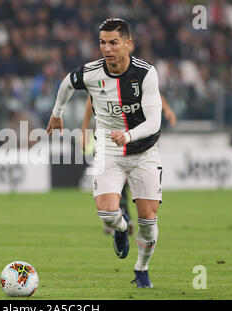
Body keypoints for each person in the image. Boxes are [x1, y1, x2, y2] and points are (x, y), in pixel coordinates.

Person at [47, 18, 163, 288]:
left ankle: (142, 268)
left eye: (113, 42)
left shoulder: (146, 74)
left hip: (144, 151)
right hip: (109, 150)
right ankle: (121, 228)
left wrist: (130, 135)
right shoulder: (91, 73)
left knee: (148, 219)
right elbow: (66, 83)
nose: (107, 48)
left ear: (128, 43)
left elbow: (154, 122)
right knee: (106, 212)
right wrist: (57, 114)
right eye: (102, 42)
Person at [82, 94, 177, 236]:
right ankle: (119, 217)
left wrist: (167, 108)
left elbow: (154, 94)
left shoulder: (139, 78)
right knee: (112, 179)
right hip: (109, 139)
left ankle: (120, 217)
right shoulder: (103, 80)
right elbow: (91, 100)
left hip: (136, 139)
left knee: (125, 180)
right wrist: (84, 130)